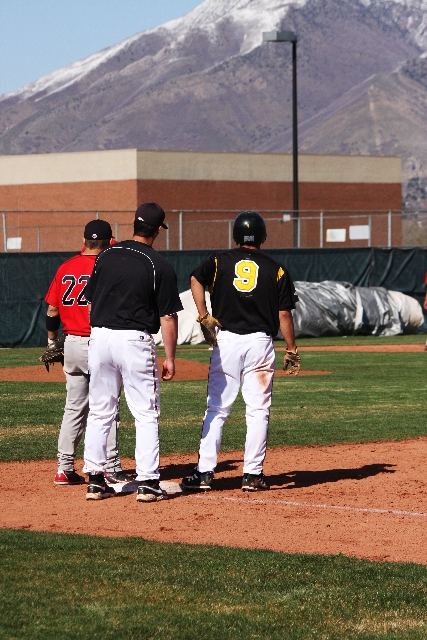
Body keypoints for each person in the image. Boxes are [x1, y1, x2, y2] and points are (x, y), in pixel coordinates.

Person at [181, 211, 299, 493]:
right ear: (263, 237)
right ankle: (253, 475)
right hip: (260, 342)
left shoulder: (219, 260)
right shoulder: (276, 268)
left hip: (228, 342)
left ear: (235, 235)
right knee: (258, 410)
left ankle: (205, 473)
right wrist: (292, 348)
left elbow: (195, 279)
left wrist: (203, 314)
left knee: (217, 408)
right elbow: (284, 313)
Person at [83, 202, 183, 501]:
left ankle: (95, 480)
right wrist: (170, 356)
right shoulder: (159, 264)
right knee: (145, 413)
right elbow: (168, 316)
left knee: (101, 410)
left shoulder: (106, 255)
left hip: (99, 336)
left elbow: (90, 302)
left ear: (133, 224)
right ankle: (149, 481)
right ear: (157, 230)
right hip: (133, 340)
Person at [44, 219, 130, 486]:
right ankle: (111, 466)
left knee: (74, 407)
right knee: (108, 407)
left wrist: (51, 342)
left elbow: (52, 311)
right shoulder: (108, 266)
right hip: (99, 343)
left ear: (85, 241)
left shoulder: (65, 267)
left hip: (71, 343)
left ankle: (64, 467)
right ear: (108, 243)